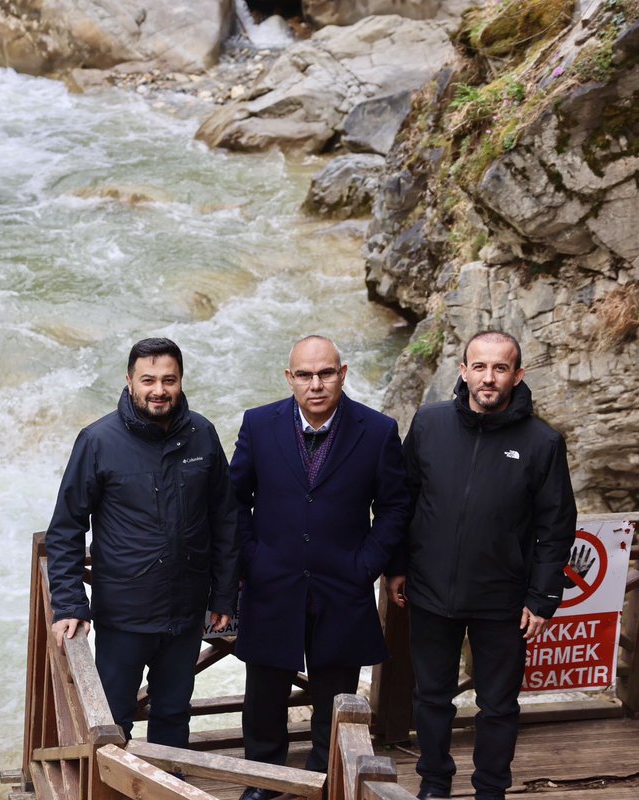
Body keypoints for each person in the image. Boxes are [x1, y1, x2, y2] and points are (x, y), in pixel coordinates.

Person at [385, 330, 576, 800]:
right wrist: (396, 567)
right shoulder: (429, 424)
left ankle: (491, 789)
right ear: (464, 371)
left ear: (517, 375)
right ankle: (434, 782)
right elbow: (402, 501)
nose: (488, 378)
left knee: (498, 705)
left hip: (503, 600)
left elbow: (556, 526)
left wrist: (543, 597)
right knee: (431, 698)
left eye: (500, 368)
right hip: (429, 592)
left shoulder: (542, 442)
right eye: (480, 367)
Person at [230, 335, 409, 800]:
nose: (316, 384)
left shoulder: (377, 431)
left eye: (326, 373)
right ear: (289, 379)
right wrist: (253, 557)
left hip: (342, 585)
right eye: (305, 375)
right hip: (272, 583)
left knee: (335, 698)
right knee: (264, 694)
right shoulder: (258, 424)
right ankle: (264, 780)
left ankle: (325, 781)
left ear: (343, 373)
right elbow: (233, 501)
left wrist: (366, 564)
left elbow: (394, 508)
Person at [45, 337, 239, 749]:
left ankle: (169, 787)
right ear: (129, 380)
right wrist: (69, 604)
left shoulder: (202, 435)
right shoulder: (98, 441)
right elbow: (65, 528)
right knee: (111, 723)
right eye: (148, 379)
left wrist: (223, 595)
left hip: (186, 614)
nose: (159, 390)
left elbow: (226, 520)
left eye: (169, 379)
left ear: (181, 381)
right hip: (124, 616)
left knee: (173, 715)